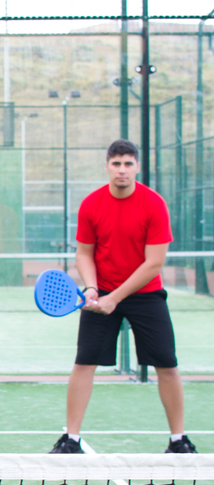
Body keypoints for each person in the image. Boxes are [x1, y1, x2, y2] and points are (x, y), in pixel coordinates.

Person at [50, 139, 196, 455]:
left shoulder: (154, 204)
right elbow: (84, 253)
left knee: (167, 365)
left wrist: (114, 297)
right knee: (84, 362)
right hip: (101, 292)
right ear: (107, 166)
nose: (122, 170)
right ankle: (71, 440)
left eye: (128, 163)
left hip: (145, 294)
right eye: (116, 163)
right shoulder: (91, 204)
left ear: (137, 167)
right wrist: (91, 288)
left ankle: (178, 440)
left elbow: (154, 263)